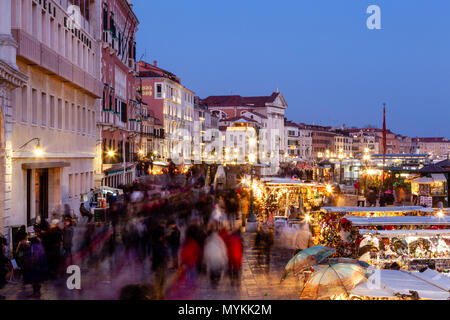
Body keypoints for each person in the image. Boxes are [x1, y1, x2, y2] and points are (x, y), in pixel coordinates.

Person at [203, 223, 228, 288]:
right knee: (217, 271)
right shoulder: (219, 240)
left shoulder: (208, 240)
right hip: (219, 259)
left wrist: (205, 260)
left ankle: (213, 282)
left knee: (212, 272)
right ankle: (216, 281)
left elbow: (206, 251)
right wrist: (225, 259)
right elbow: (223, 249)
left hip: (211, 261)